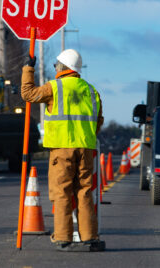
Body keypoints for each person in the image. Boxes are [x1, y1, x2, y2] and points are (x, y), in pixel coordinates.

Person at [21, 49, 105, 252]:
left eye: (56, 65)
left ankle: (63, 236)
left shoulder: (54, 87)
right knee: (84, 192)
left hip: (61, 149)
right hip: (85, 149)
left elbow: (27, 94)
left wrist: (28, 68)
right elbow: (98, 121)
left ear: (62, 67)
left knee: (62, 193)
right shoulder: (91, 91)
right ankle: (89, 236)